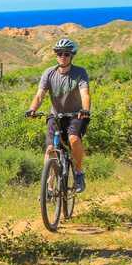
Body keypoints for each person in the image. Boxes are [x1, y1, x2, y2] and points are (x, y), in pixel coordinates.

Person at [25, 38, 91, 193]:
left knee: (73, 139)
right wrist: (32, 108)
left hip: (76, 115)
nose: (63, 56)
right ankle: (48, 186)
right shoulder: (49, 73)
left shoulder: (79, 73)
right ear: (56, 55)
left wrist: (85, 109)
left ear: (72, 56)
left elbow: (85, 94)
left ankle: (79, 172)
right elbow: (40, 95)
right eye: (59, 53)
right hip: (56, 115)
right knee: (50, 149)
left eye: (66, 54)